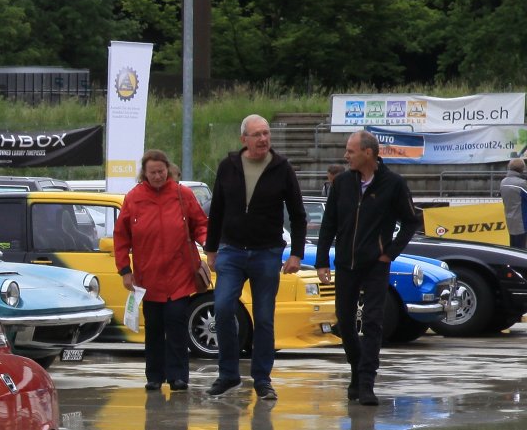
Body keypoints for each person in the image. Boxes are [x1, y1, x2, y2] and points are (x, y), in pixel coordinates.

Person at [205, 114, 307, 401]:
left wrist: (296, 253)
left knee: (263, 318)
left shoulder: (282, 168)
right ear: (244, 139)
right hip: (231, 250)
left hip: (267, 252)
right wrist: (211, 249)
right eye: (257, 134)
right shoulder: (228, 166)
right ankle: (228, 375)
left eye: (266, 133)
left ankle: (262, 379)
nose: (263, 139)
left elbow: (298, 214)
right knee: (223, 308)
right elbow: (217, 210)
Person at [315, 130, 420, 407]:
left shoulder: (394, 184)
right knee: (344, 321)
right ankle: (356, 369)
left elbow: (412, 221)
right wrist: (322, 260)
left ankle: (366, 382)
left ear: (368, 153)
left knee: (373, 321)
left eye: (350, 151)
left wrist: (390, 253)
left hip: (375, 265)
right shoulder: (342, 183)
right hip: (345, 264)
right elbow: (329, 223)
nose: (345, 156)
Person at [114, 149, 208, 392]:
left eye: (161, 171)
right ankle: (154, 376)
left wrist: (208, 243)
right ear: (144, 174)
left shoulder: (182, 194)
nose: (157, 176)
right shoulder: (133, 198)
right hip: (148, 277)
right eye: (152, 172)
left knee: (176, 324)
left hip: (179, 275)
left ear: (168, 169)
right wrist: (125, 270)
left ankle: (178, 377)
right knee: (154, 326)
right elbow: (121, 237)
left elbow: (200, 224)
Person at [501, 157, 526, 249]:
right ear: (522, 168)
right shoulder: (522, 184)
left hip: (510, 220)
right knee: (522, 251)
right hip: (522, 222)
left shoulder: (503, 182)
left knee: (514, 249)